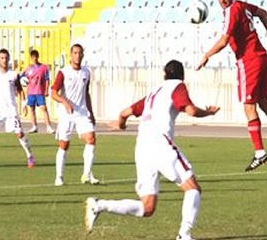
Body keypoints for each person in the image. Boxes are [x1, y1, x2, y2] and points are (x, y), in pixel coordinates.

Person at [85, 60, 220, 240]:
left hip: (142, 148)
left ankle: (99, 205)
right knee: (193, 189)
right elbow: (191, 111)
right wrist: (208, 112)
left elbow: (125, 112)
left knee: (147, 207)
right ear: (181, 75)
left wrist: (121, 125)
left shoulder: (153, 93)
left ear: (164, 75)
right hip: (160, 143)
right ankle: (184, 235)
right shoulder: (178, 86)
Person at [195, 0, 267, 171]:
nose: (223, 0)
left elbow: (224, 40)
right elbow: (263, 13)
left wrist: (207, 55)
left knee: (249, 107)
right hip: (263, 58)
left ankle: (260, 153)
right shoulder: (243, 6)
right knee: (264, 103)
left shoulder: (233, 10)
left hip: (249, 62)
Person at [51, 44, 99, 186]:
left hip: (82, 113)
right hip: (67, 114)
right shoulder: (64, 72)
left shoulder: (86, 72)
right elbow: (53, 93)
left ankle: (87, 174)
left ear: (83, 55)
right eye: (75, 53)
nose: (77, 56)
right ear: (71, 55)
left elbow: (86, 93)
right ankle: (59, 177)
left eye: (80, 53)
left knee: (91, 138)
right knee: (64, 145)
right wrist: (65, 102)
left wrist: (91, 112)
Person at [0, 48, 35, 169]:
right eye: (2, 58)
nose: (4, 60)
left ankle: (30, 156)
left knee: (19, 134)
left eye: (6, 58)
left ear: (8, 59)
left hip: (11, 110)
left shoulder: (14, 75)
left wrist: (24, 104)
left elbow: (20, 91)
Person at [21, 49, 55, 134]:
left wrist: (46, 90)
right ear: (31, 58)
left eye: (35, 57)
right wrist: (23, 82)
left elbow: (47, 79)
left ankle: (48, 127)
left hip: (40, 92)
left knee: (44, 108)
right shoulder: (28, 69)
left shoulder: (44, 68)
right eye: (33, 57)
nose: (34, 59)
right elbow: (22, 78)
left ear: (38, 57)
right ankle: (34, 126)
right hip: (30, 92)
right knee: (31, 109)